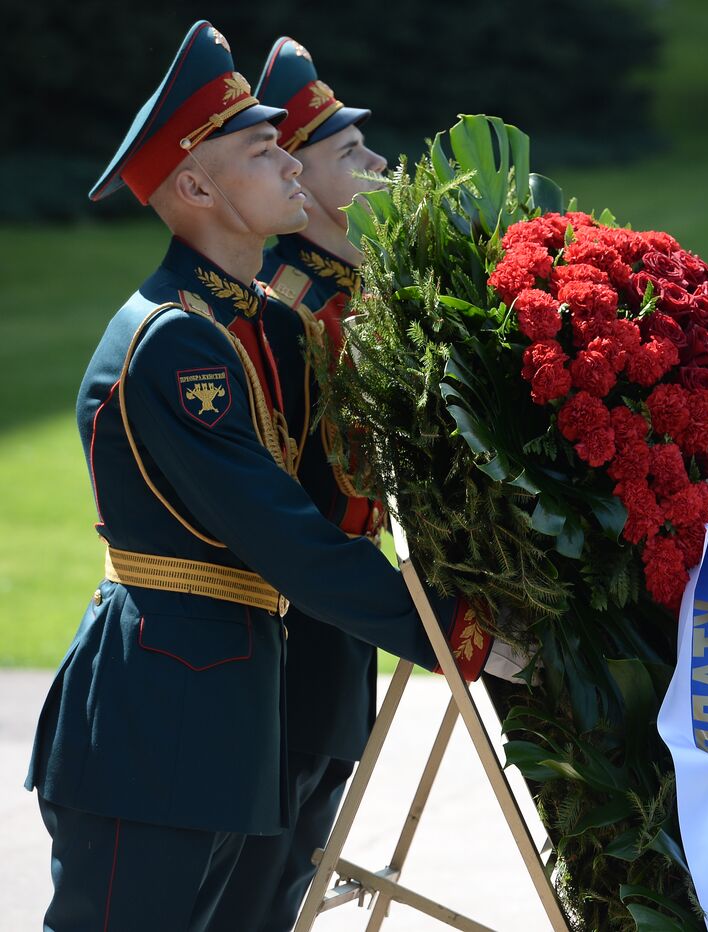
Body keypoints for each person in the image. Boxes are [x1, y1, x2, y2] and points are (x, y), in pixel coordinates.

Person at [25, 23, 496, 931]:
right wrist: (447, 627)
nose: (290, 165)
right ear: (196, 186)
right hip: (154, 714)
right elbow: (281, 526)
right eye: (261, 150)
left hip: (226, 709)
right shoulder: (174, 345)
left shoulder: (256, 328)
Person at [207, 38, 390, 931]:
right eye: (349, 155)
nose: (379, 167)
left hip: (348, 608)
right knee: (264, 869)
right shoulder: (291, 305)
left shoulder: (353, 291)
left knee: (301, 851)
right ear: (299, 182)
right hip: (301, 615)